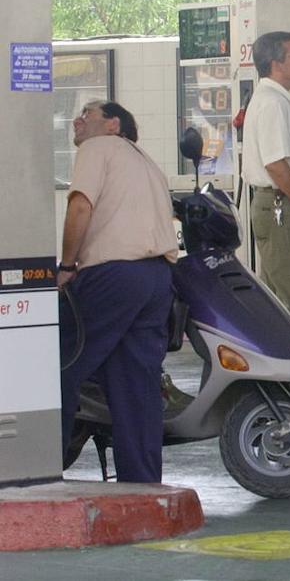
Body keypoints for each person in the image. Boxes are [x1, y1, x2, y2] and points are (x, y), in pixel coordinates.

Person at [58, 101, 178, 483]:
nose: (78, 120)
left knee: (56, 362)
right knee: (136, 385)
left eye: (88, 114)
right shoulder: (147, 164)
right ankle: (142, 483)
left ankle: (42, 468)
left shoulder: (97, 148)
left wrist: (66, 265)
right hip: (157, 278)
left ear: (113, 125)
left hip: (113, 275)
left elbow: (80, 206)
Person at [242, 31, 290, 338]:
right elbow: (275, 164)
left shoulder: (274, 100)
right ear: (276, 63)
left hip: (277, 205)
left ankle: (282, 380)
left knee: (280, 298)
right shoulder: (273, 103)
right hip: (283, 206)